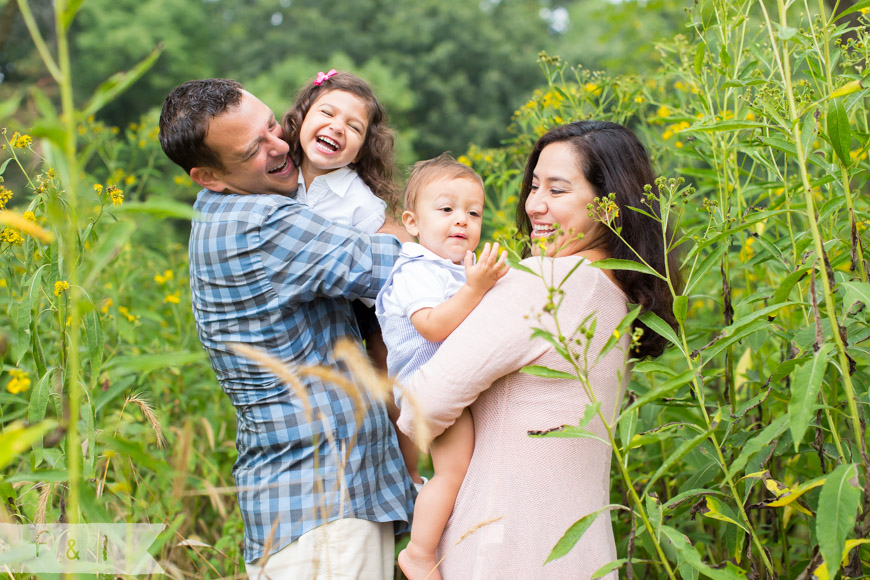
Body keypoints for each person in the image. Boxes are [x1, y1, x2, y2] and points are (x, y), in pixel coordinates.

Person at [397, 121, 680, 579]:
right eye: (533, 186)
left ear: (610, 204)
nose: (535, 205)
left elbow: (422, 405)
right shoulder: (623, 301)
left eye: (558, 190)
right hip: (585, 556)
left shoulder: (545, 282)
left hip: (504, 550)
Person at [158, 78, 415, 580]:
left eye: (273, 124)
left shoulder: (236, 204)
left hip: (306, 507)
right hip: (325, 509)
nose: (280, 146)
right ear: (209, 176)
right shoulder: (263, 224)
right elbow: (406, 268)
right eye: (255, 147)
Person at [375, 155, 508, 580]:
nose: (461, 221)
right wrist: (477, 289)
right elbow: (431, 326)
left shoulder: (453, 270)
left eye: (473, 212)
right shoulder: (415, 269)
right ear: (412, 223)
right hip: (426, 387)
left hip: (452, 383)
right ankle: (419, 550)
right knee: (451, 472)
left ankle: (453, 541)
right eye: (446, 209)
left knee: (469, 469)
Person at [282, 69, 408, 375]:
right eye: (327, 113)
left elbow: (390, 262)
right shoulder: (280, 173)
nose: (337, 127)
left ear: (359, 152)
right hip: (298, 311)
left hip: (365, 307)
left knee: (389, 369)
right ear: (301, 118)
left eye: (354, 127)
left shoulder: (360, 200)